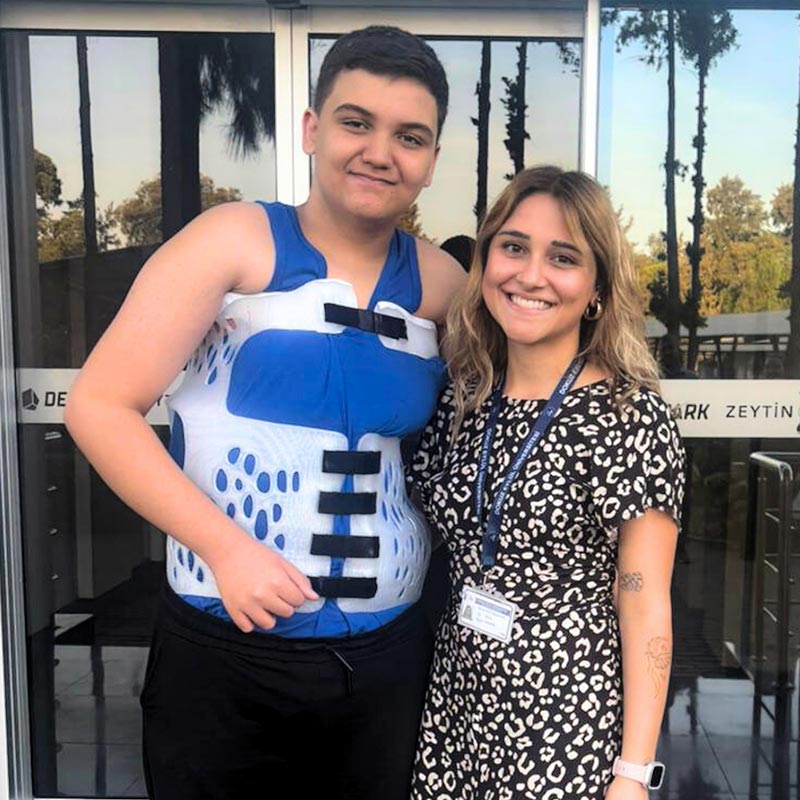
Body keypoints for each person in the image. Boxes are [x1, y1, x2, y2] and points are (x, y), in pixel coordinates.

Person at [65, 25, 464, 800]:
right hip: (227, 655)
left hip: (387, 661)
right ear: (313, 130)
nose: (381, 152)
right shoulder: (234, 239)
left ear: (431, 160)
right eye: (356, 122)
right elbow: (100, 406)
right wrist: (227, 549)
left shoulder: (446, 283)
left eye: (409, 136)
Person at [408, 166, 685, 800]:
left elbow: (644, 603)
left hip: (565, 727)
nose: (530, 275)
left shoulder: (629, 417)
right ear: (486, 264)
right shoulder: (462, 398)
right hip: (455, 711)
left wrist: (634, 774)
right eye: (513, 247)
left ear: (595, 290)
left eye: (562, 257)